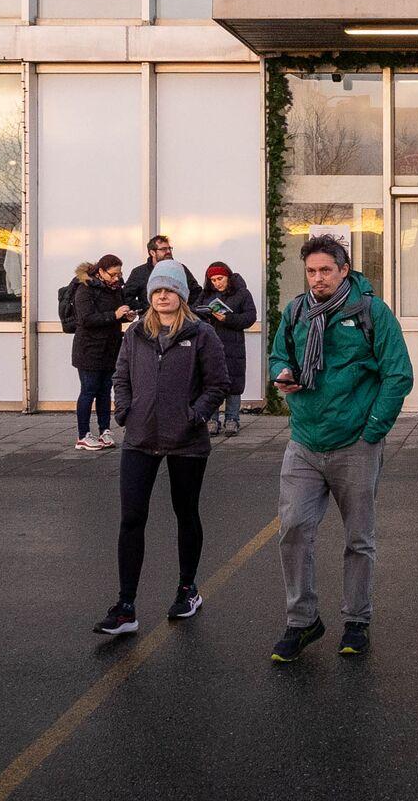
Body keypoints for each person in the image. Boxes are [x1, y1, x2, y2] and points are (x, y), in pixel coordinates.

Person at [269, 232, 412, 662]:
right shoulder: (295, 311)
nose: (317, 279)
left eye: (325, 270)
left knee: (358, 539)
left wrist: (373, 429)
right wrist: (283, 373)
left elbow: (398, 374)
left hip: (355, 444)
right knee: (293, 532)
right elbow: (278, 356)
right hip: (305, 442)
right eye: (311, 271)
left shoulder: (371, 312)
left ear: (344, 270)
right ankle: (302, 621)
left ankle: (356, 621)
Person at [94, 259, 227, 637]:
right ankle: (126, 606)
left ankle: (188, 589)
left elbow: (218, 385)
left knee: (186, 515)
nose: (162, 295)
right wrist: (124, 410)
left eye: (169, 289)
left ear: (181, 295)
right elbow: (121, 376)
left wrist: (195, 416)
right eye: (156, 290)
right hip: (139, 439)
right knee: (131, 520)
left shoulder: (202, 335)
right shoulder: (135, 333)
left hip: (186, 442)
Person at [195, 259, 260, 434]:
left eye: (220, 279)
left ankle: (232, 419)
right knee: (211, 382)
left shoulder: (242, 294)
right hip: (210, 345)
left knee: (234, 382)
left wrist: (228, 319)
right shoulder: (206, 294)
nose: (217, 283)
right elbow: (194, 313)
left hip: (233, 345)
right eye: (213, 280)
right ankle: (212, 419)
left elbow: (250, 317)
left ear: (228, 277)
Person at [70, 253, 127, 449]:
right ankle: (83, 435)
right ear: (101, 272)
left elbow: (116, 315)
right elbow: (86, 319)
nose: (117, 278)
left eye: (119, 274)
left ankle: (104, 430)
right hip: (88, 349)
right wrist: (114, 314)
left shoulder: (115, 289)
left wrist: (125, 316)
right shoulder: (85, 289)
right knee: (88, 390)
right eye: (113, 274)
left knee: (105, 391)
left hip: (110, 348)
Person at [124, 234, 198, 314]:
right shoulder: (139, 272)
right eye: (163, 249)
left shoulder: (179, 269)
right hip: (150, 321)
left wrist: (185, 308)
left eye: (169, 248)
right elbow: (126, 296)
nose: (168, 252)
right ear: (152, 252)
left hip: (178, 320)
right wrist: (147, 308)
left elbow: (196, 291)